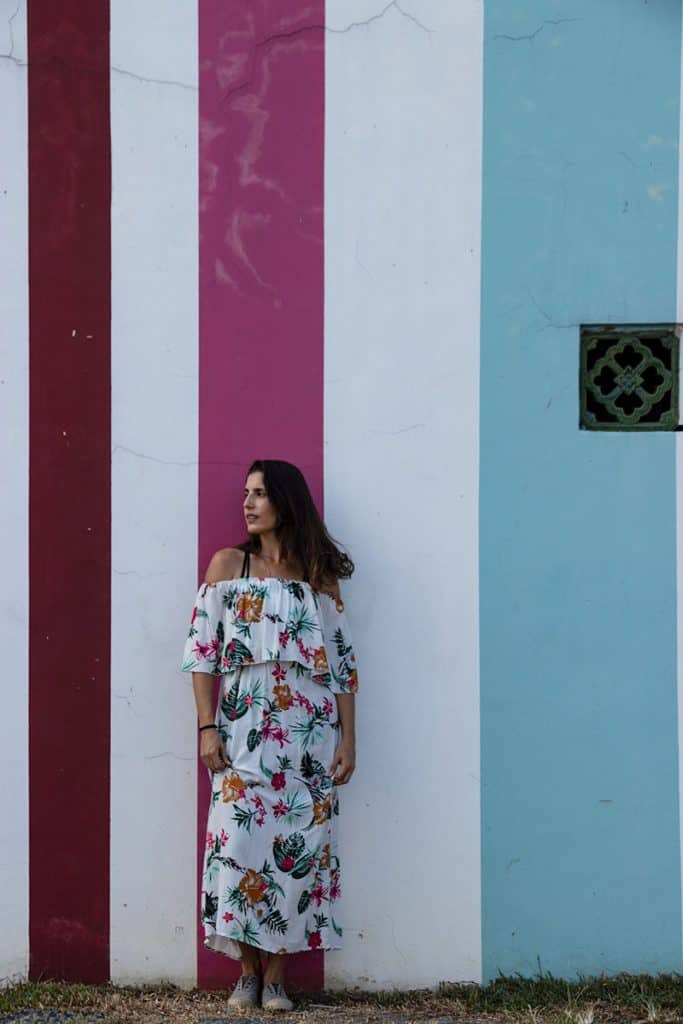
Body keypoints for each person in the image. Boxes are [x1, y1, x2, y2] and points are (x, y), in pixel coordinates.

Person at [181, 458, 359, 1011]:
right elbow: (202, 654)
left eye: (260, 493)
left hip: (307, 738)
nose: (248, 503)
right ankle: (248, 971)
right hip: (241, 733)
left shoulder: (315, 575)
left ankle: (277, 976)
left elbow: (342, 665)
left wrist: (349, 740)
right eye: (245, 493)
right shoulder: (228, 567)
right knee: (238, 848)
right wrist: (207, 728)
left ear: (285, 501)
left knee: (300, 848)